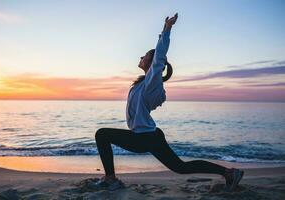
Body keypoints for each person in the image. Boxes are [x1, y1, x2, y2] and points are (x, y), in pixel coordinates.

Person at [95, 13, 244, 191]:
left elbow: (159, 57)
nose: (140, 57)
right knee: (180, 167)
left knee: (102, 134)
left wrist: (167, 29)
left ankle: (110, 178)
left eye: (143, 56)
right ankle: (228, 173)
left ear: (151, 61)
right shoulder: (144, 84)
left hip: (144, 137)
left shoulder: (152, 82)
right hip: (148, 136)